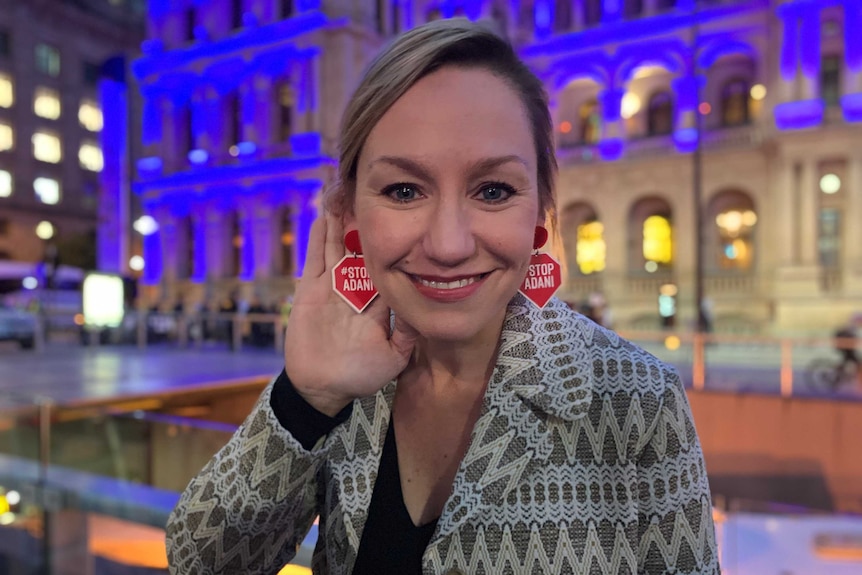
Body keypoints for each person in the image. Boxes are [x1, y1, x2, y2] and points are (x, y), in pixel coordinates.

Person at [165, 19, 719, 575]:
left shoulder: (637, 399)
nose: (449, 245)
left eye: (493, 190)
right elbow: (201, 562)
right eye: (404, 191)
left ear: (541, 211)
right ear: (349, 211)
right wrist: (303, 401)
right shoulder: (341, 378)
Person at [834, 314, 862, 388]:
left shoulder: (852, 327)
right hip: (844, 347)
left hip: (846, 347)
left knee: (848, 360)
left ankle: (838, 375)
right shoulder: (852, 327)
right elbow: (850, 338)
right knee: (856, 362)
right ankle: (837, 378)